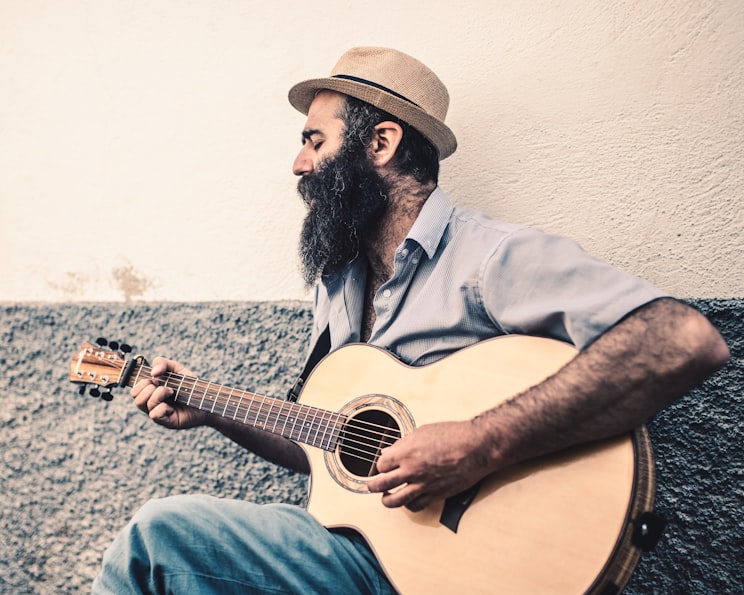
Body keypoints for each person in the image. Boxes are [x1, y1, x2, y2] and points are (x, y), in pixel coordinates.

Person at [92, 47, 729, 594]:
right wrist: (211, 407)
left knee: (158, 538)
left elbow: (682, 340)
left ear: (381, 143)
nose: (298, 164)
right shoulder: (340, 282)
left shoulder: (491, 257)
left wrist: (480, 444)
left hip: (476, 568)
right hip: (367, 554)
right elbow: (335, 446)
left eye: (314, 140)